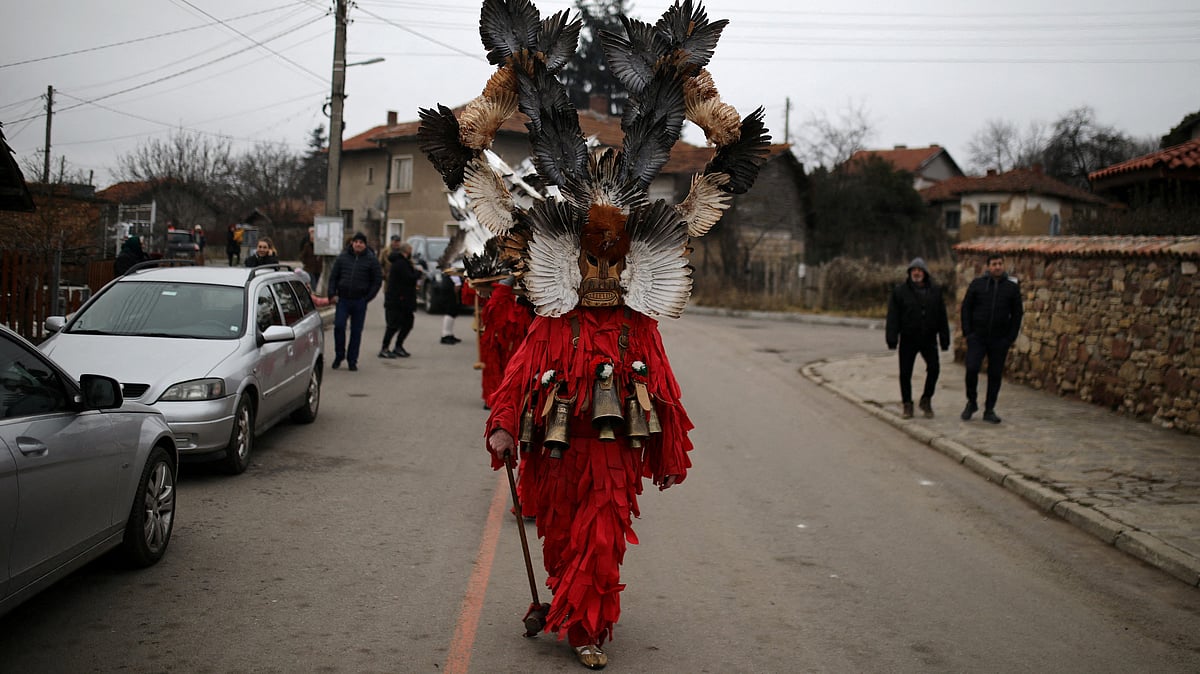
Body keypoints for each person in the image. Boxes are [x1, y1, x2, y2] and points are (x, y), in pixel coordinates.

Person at [960, 254, 1024, 424]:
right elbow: (966, 308)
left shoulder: (1011, 288)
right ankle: (971, 402)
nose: (997, 267)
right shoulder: (977, 284)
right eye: (994, 264)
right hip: (978, 337)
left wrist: (1009, 337)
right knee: (972, 368)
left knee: (995, 375)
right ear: (988, 266)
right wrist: (968, 333)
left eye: (1000, 264)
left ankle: (989, 409)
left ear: (1003, 265)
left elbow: (1017, 314)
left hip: (999, 339)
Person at [885, 258, 951, 419]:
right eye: (913, 270)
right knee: (905, 373)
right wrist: (892, 338)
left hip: (929, 338)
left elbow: (942, 316)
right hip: (908, 338)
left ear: (925, 273)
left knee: (934, 369)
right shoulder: (900, 291)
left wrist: (944, 338)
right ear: (909, 273)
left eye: (919, 270)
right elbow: (893, 316)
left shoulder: (935, 291)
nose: (916, 273)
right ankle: (907, 404)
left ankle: (926, 399)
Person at [327, 232, 383, 371]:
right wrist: (331, 294)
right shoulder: (343, 258)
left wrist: (367, 298)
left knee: (356, 332)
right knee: (339, 327)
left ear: (365, 245)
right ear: (352, 243)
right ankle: (339, 355)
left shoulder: (371, 260)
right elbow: (333, 277)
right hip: (343, 299)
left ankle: (352, 360)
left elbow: (377, 281)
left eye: (361, 242)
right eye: (356, 241)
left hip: (359, 300)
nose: (358, 244)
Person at [380, 237, 422, 359]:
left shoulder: (405, 262)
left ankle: (398, 346)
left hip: (405, 300)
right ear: (407, 251)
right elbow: (408, 278)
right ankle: (384, 348)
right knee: (393, 325)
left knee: (407, 323)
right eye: (410, 250)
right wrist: (418, 274)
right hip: (397, 300)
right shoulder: (400, 263)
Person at [433, 270, 463, 344]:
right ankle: (445, 335)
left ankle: (449, 334)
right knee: (449, 312)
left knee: (453, 312)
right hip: (449, 288)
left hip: (450, 285)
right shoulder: (450, 267)